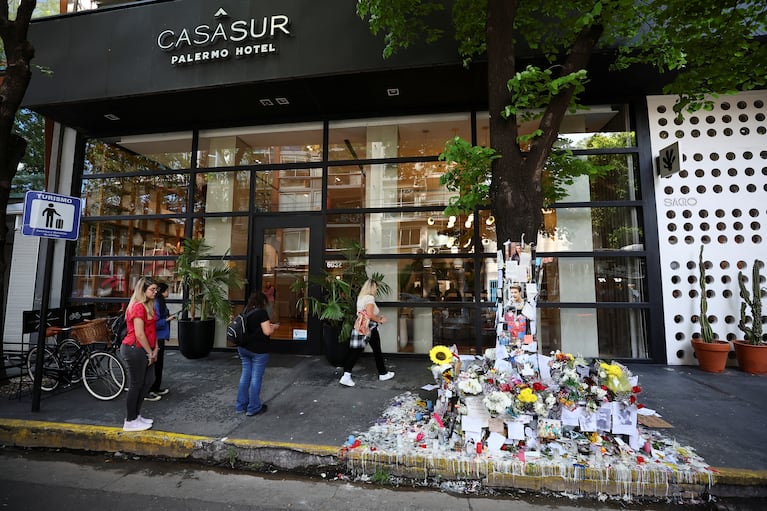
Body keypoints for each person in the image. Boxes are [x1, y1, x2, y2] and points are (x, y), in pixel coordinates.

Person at [120, 277, 159, 432]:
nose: (155, 292)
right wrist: (150, 353)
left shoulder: (150, 305)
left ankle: (136, 415)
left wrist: (155, 348)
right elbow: (140, 334)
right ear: (143, 290)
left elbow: (152, 330)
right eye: (152, 289)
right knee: (136, 384)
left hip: (146, 349)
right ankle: (130, 420)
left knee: (149, 381)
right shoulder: (137, 307)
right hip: (134, 348)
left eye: (156, 289)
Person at [339, 279, 395, 387]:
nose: (377, 290)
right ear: (373, 288)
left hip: (361, 325)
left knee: (357, 350)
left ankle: (347, 375)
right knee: (372, 350)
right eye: (376, 288)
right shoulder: (369, 298)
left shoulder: (361, 297)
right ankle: (382, 373)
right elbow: (369, 314)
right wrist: (380, 320)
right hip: (369, 327)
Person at [236, 292, 279, 416]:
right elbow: (267, 331)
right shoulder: (261, 313)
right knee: (256, 378)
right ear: (263, 302)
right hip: (258, 351)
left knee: (245, 376)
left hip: (243, 348)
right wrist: (274, 327)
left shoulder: (246, 311)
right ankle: (253, 407)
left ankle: (240, 405)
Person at [146, 282, 175, 401]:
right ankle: (150, 389)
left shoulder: (160, 303)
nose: (168, 293)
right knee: (155, 364)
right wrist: (167, 319)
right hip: (156, 337)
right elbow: (154, 323)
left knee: (159, 364)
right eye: (167, 290)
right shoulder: (157, 304)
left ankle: (156, 387)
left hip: (160, 337)